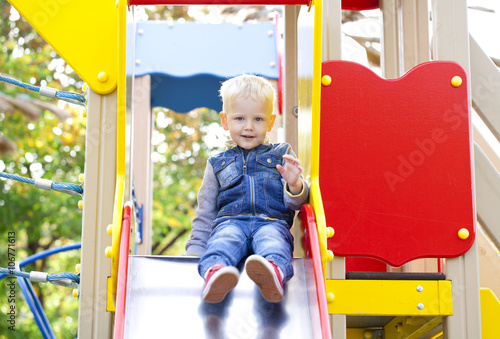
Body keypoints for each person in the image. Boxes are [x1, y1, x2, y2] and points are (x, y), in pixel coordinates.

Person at [185, 74, 308, 304]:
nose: (249, 127)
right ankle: (216, 274)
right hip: (230, 222)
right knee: (222, 242)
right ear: (225, 120)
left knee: (274, 244)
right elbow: (205, 213)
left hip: (271, 222)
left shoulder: (282, 155)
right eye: (240, 118)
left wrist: (295, 184)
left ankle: (272, 274)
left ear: (271, 122)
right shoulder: (217, 163)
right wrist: (195, 250)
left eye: (258, 119)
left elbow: (297, 204)